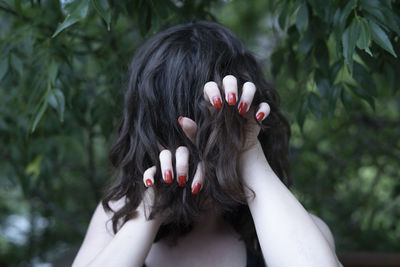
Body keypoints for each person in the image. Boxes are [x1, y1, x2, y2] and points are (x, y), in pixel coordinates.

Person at [72, 21, 343, 267]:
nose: (196, 153)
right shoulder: (116, 219)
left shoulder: (293, 229)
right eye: (176, 132)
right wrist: (148, 212)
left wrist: (249, 153)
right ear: (148, 137)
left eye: (217, 133)